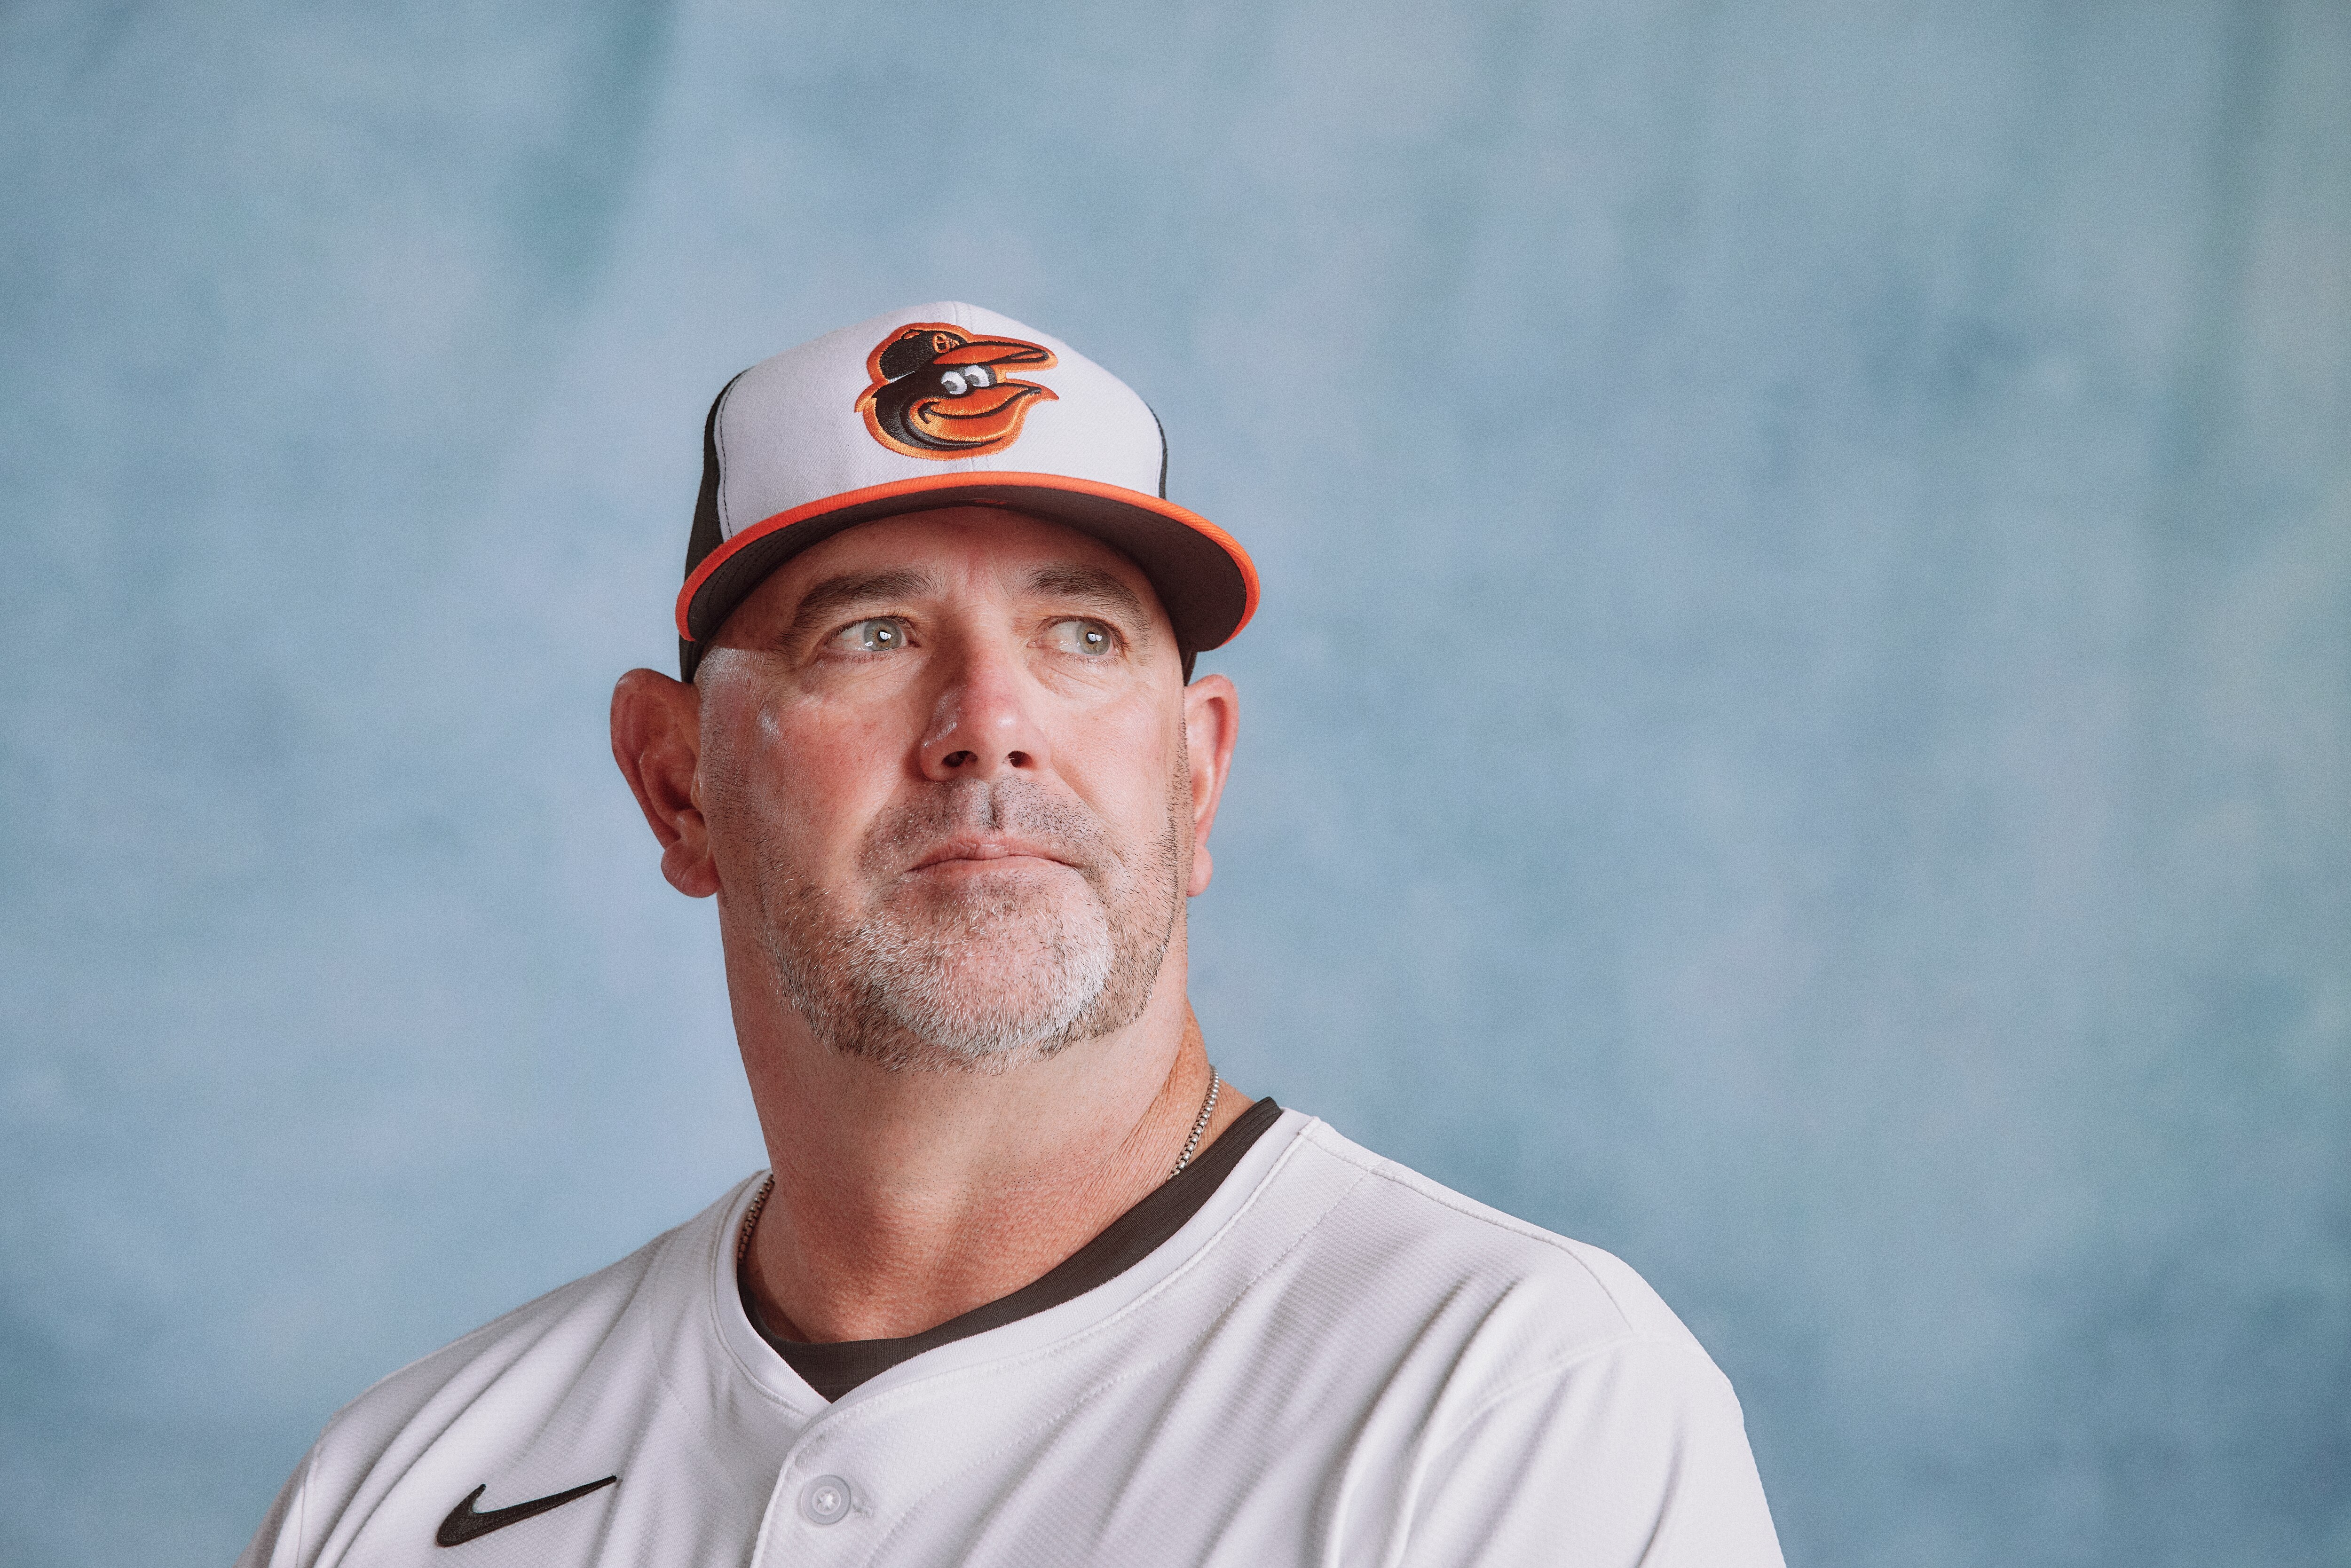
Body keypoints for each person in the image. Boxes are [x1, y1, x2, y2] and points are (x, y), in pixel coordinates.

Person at [238, 303, 1785, 1567]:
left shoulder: (1507, 1399)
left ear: (1194, 771)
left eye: (1082, 635)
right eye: (874, 633)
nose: (991, 728)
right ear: (677, 785)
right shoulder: (406, 1484)